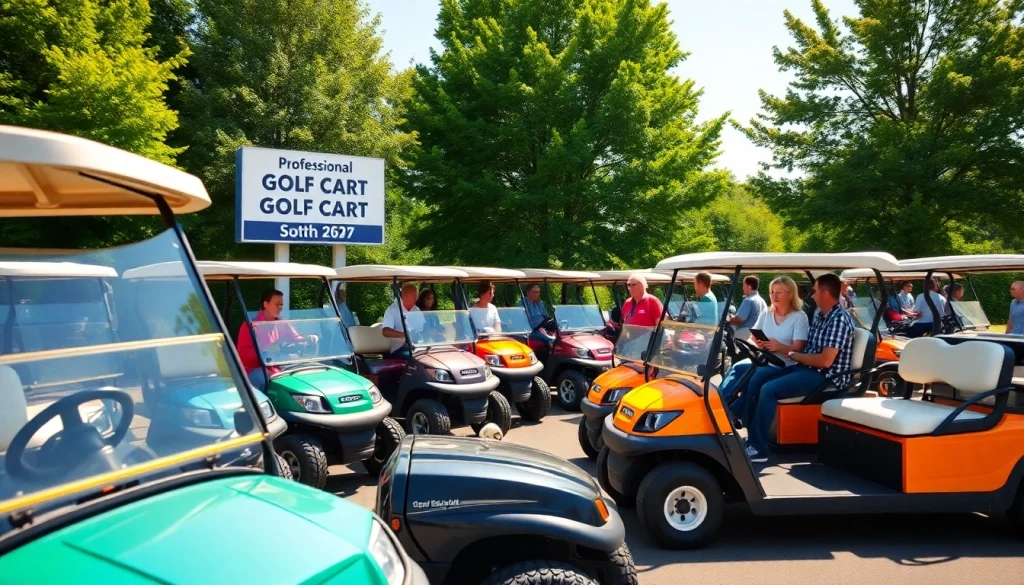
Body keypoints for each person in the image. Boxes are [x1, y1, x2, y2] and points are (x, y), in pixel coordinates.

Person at [743, 273, 854, 463]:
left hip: (824, 376)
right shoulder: (822, 316)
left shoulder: (838, 320)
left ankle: (759, 448)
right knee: (759, 377)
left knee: (768, 390)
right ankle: (749, 436)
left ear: (825, 293)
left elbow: (825, 361)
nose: (812, 296)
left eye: (815, 292)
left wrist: (793, 355)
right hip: (808, 368)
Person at [718, 276, 808, 423]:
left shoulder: (799, 317)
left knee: (756, 376)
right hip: (762, 358)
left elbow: (797, 350)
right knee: (737, 367)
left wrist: (779, 346)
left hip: (785, 365)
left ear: (790, 294)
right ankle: (717, 403)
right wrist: (757, 344)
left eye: (779, 292)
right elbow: (752, 337)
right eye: (772, 292)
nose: (774, 295)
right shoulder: (766, 313)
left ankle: (736, 414)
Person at [236, 289, 319, 390]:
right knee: (264, 380)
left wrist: (308, 338)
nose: (280, 308)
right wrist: (264, 350)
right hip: (255, 368)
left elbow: (296, 338)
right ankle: (258, 405)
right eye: (277, 304)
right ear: (266, 304)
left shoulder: (280, 323)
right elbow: (243, 354)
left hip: (277, 365)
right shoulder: (250, 325)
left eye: (281, 304)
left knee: (301, 378)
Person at [382, 283, 420, 358]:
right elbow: (385, 331)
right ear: (405, 295)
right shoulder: (392, 309)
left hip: (417, 347)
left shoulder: (416, 309)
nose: (416, 298)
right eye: (414, 295)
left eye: (416, 295)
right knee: (417, 358)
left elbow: (423, 328)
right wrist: (404, 335)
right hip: (399, 350)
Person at [729, 275, 767, 340]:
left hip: (746, 334)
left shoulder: (748, 300)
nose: (742, 288)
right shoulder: (762, 300)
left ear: (748, 287)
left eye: (743, 285)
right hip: (759, 334)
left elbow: (739, 320)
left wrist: (729, 318)